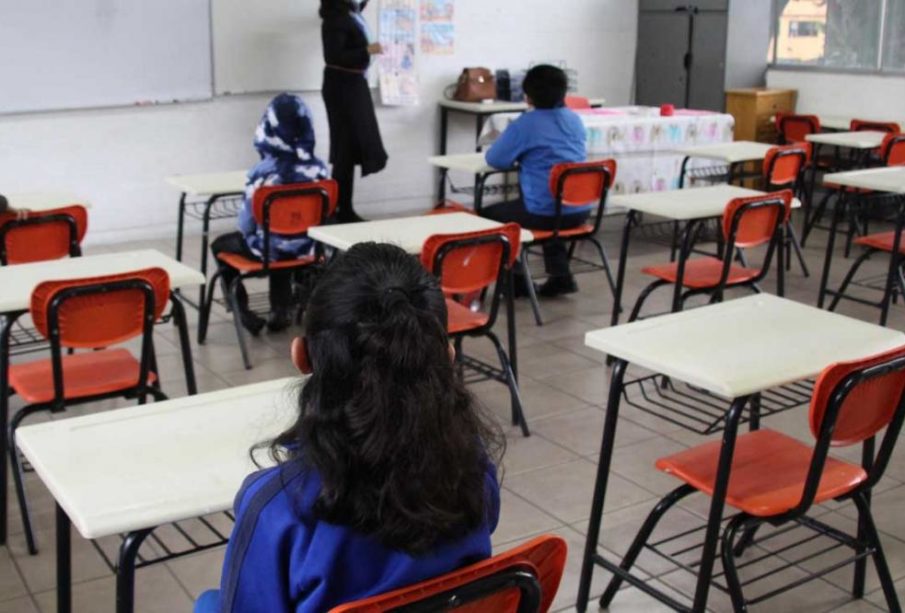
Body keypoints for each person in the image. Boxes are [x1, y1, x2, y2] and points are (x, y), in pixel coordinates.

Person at [193, 242, 504, 613]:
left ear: (302, 356)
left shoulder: (278, 507)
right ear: (448, 357)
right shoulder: (472, 469)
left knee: (209, 605)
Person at [210, 93, 329, 335]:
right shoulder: (319, 170)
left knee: (221, 245)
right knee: (283, 242)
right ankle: (281, 310)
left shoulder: (262, 175)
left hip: (268, 252)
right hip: (309, 249)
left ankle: (242, 311)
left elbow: (246, 225)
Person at [483, 64, 589, 298]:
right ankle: (561, 276)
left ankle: (516, 281)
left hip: (543, 213)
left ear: (528, 96)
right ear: (564, 93)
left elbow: (495, 159)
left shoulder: (525, 124)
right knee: (553, 203)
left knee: (484, 216)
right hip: (580, 210)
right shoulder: (575, 120)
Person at [320, 0, 388, 222]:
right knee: (344, 150)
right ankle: (338, 210)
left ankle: (344, 209)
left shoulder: (350, 12)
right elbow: (334, 56)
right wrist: (367, 50)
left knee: (349, 150)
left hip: (353, 83)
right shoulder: (334, 18)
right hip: (342, 86)